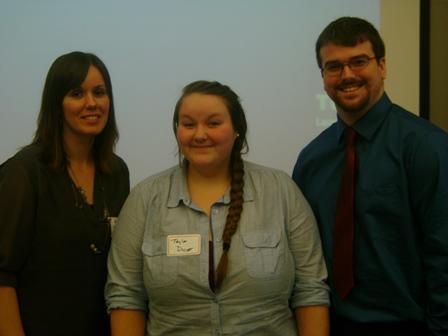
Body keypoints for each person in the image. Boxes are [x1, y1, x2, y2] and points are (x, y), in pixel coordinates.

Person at [105, 80, 330, 335]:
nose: (200, 134)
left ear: (237, 130)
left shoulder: (281, 191)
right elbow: (126, 295)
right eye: (188, 124)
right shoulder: (145, 199)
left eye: (213, 123)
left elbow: (310, 290)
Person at [292, 16, 448, 336]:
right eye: (333, 66)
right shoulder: (311, 160)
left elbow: (443, 253)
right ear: (323, 77)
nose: (347, 75)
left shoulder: (426, 147)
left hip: (411, 326)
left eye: (359, 61)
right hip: (330, 325)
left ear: (383, 66)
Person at [0, 51, 130, 335]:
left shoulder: (116, 172)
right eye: (76, 93)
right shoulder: (24, 172)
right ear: (56, 104)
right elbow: (2, 274)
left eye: (99, 92)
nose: (92, 103)